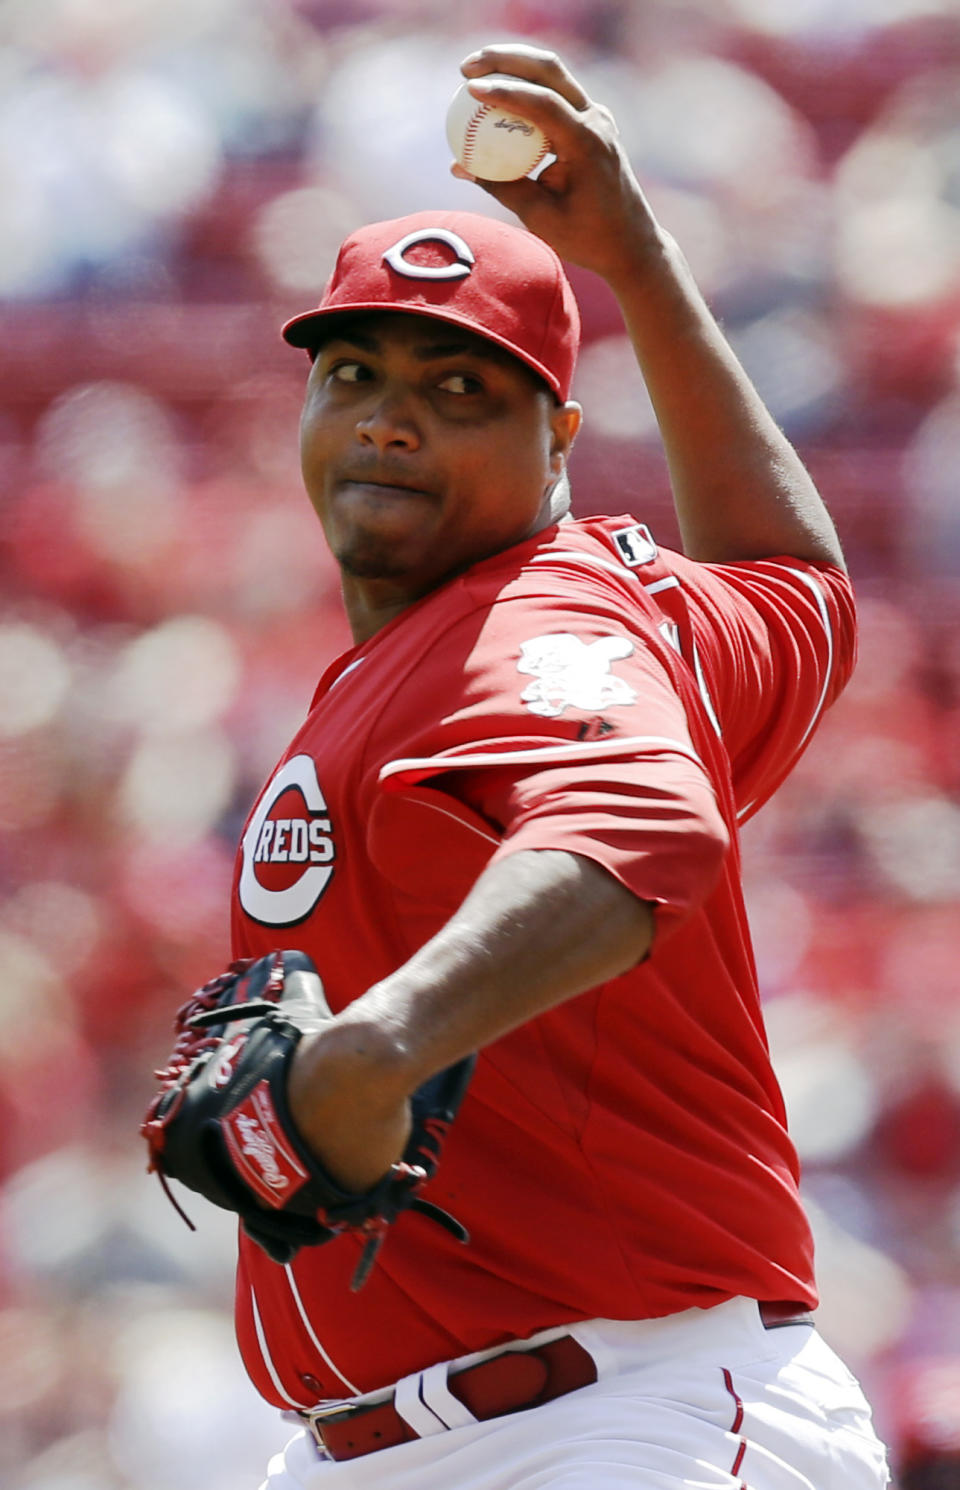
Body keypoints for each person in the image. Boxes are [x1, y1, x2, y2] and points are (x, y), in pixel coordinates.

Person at [214, 42, 891, 1490]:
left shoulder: (539, 617)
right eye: (354, 373)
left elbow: (635, 823)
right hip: (431, 1434)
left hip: (606, 1419)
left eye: (461, 387)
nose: (392, 416)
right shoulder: (638, 613)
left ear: (559, 441)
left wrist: (376, 1046)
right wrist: (639, 267)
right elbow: (797, 584)